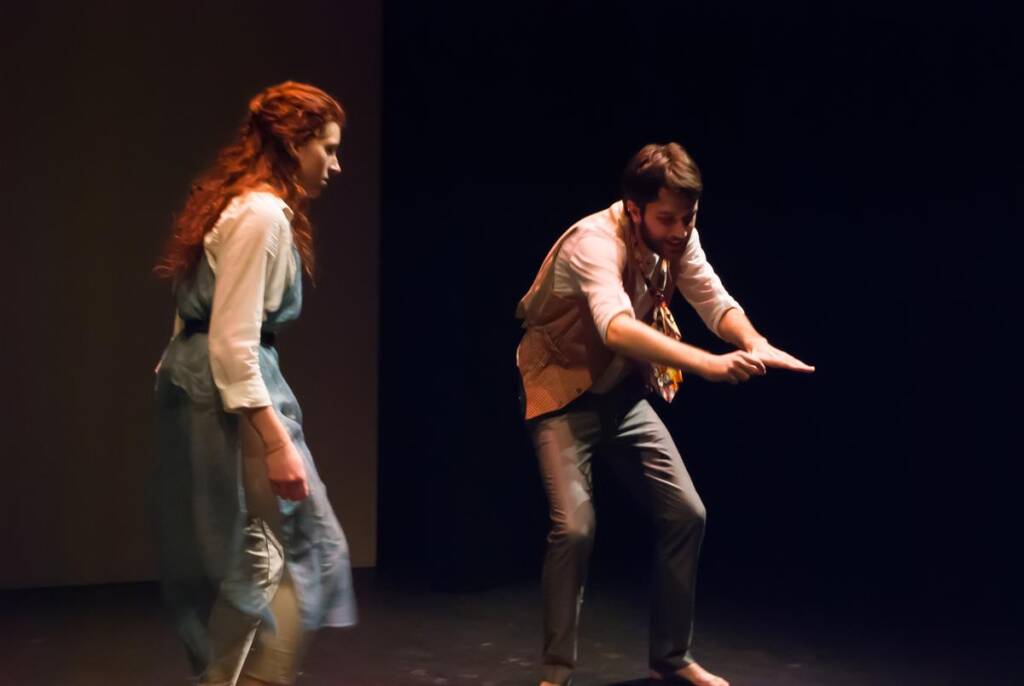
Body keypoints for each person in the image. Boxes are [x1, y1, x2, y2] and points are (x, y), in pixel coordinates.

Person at [515, 142, 814, 686]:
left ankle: (670, 658)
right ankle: (556, 670)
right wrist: (705, 363)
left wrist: (754, 340)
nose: (680, 230)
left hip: (620, 395)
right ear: (633, 208)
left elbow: (710, 296)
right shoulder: (593, 242)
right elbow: (616, 327)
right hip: (561, 396)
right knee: (576, 528)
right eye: (667, 218)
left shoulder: (679, 237)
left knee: (686, 514)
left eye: (688, 217)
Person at [152, 81, 356, 686]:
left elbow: (203, 318)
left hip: (210, 388)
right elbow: (232, 341)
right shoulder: (261, 213)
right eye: (328, 148)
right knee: (277, 558)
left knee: (287, 553)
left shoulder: (240, 205)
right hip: (228, 394)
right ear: (295, 144)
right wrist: (276, 441)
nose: (336, 164)